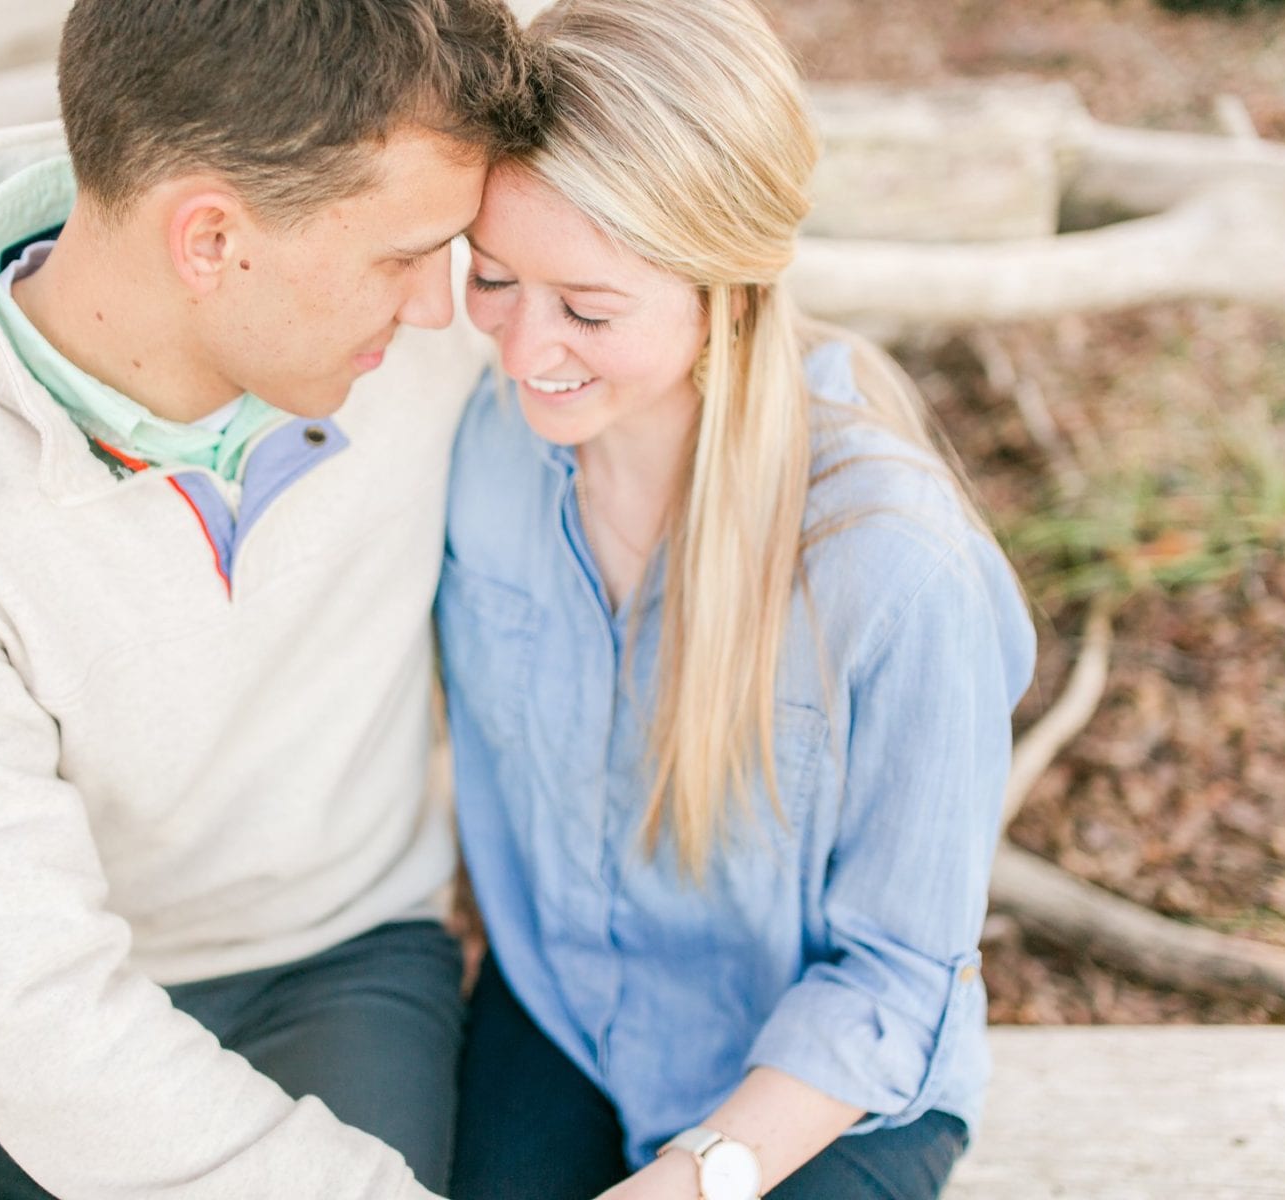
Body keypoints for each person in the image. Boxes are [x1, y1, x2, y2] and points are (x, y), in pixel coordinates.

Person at [0, 2, 540, 1198]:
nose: (442, 306)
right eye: (405, 257)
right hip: (21, 1014)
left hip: (334, 966)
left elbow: (682, 322)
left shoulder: (435, 342)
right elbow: (28, 1012)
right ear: (209, 241)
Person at [436, 2, 1036, 1198]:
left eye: (588, 310)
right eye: (493, 278)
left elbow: (897, 974)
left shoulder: (903, 574)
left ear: (729, 292)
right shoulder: (482, 454)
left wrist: (700, 1176)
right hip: (561, 1008)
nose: (520, 348)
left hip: (825, 1093)